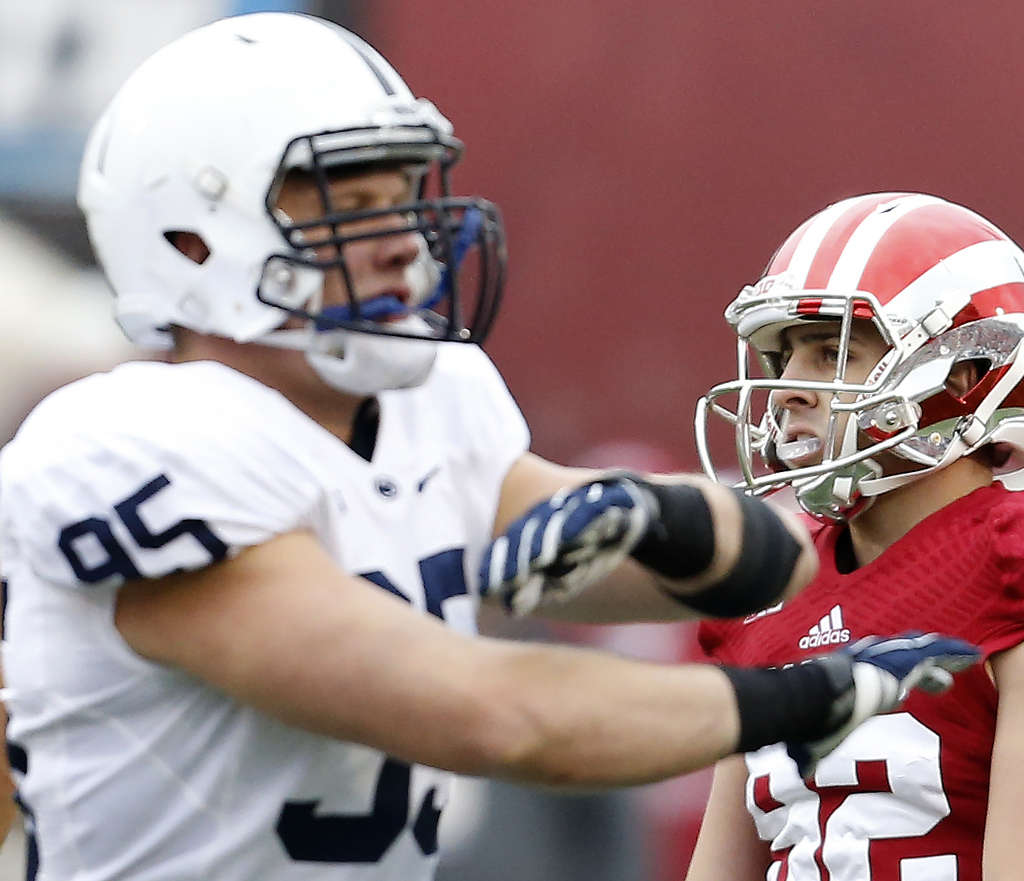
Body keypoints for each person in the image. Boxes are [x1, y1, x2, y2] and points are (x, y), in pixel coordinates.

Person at [0, 18, 976, 881]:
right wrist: (805, 695)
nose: (398, 238)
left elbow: (743, 558)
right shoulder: (131, 449)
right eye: (343, 196)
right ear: (189, 241)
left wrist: (668, 517)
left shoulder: (428, 403)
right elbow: (500, 716)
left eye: (401, 191)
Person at [689, 191, 1024, 881]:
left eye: (828, 351)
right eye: (784, 357)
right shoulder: (768, 589)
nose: (786, 389)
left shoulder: (1006, 560)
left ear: (964, 373)